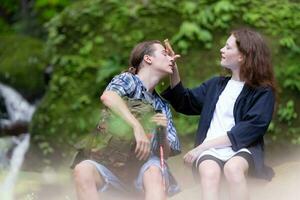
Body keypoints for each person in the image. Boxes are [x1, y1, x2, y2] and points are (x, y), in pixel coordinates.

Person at [162, 28, 276, 200]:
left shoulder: (262, 92)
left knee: (233, 169)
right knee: (209, 173)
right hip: (211, 151)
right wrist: (174, 69)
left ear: (242, 56)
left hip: (242, 149)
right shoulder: (216, 85)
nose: (222, 50)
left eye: (228, 47)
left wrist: (201, 147)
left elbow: (250, 128)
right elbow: (185, 102)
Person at [73, 40, 181, 200]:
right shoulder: (129, 80)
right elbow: (108, 96)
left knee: (154, 171)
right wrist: (137, 127)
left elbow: (167, 152)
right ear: (148, 59)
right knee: (82, 170)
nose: (171, 59)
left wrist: (162, 131)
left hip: (144, 172)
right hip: (111, 167)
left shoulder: (162, 105)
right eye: (165, 54)